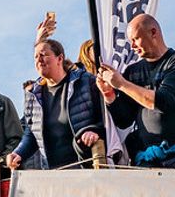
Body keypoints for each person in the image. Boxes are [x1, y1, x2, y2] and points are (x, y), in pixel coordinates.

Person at [96, 14, 175, 167]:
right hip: (145, 159)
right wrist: (109, 94)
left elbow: (164, 102)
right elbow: (124, 120)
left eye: (135, 39)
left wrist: (122, 84)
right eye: (130, 41)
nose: (132, 46)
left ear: (153, 32)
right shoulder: (132, 72)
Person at [7, 39, 105, 170]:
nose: (39, 59)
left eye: (44, 54)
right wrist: (18, 153)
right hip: (53, 176)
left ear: (60, 58)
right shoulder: (33, 95)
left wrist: (95, 130)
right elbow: (31, 134)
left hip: (87, 168)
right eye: (36, 56)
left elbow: (105, 116)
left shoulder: (85, 81)